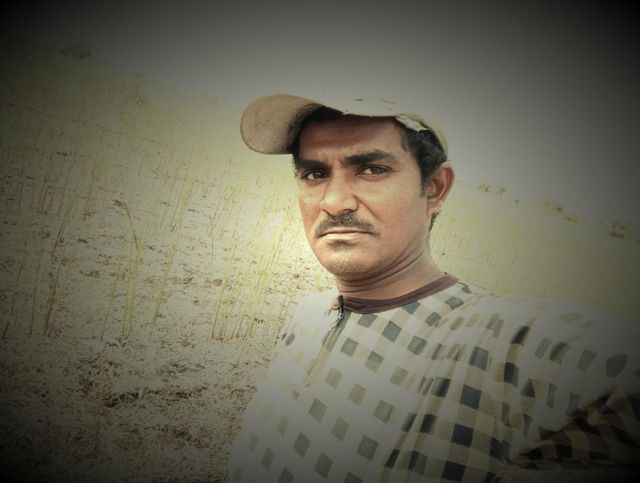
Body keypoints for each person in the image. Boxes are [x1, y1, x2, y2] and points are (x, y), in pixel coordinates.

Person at [227, 93, 639, 482]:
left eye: (372, 169)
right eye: (315, 173)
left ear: (435, 188)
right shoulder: (306, 316)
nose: (333, 201)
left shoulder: (501, 344)